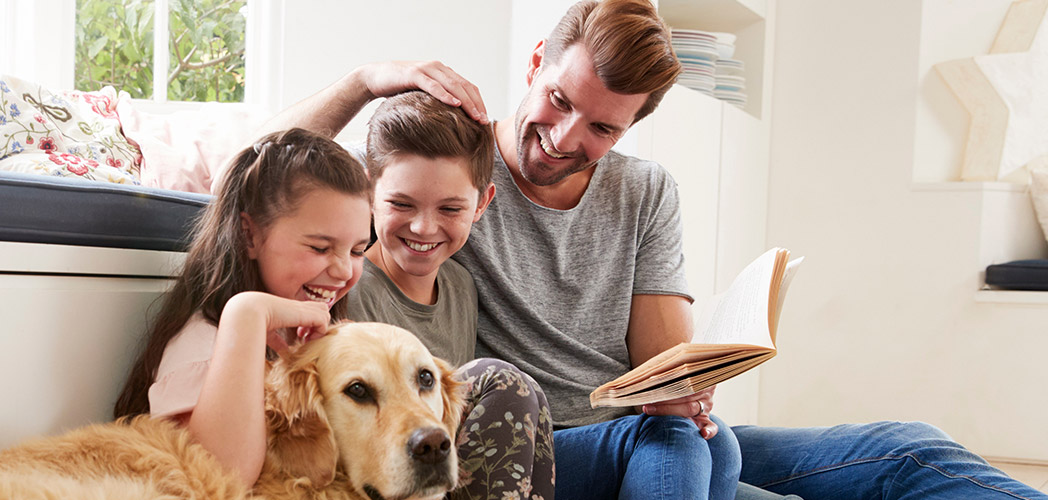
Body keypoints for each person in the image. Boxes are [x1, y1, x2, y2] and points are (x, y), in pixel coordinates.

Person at [261, 0, 1048, 499]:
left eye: (601, 126)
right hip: (542, 443)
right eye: (559, 100)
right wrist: (368, 78)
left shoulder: (645, 191)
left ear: (630, 128)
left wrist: (693, 386)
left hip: (635, 429)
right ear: (535, 63)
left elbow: (660, 368)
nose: (565, 137)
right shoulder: (450, 173)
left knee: (905, 450)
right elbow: (267, 172)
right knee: (683, 447)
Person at [111, 128, 373, 488]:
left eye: (358, 251)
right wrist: (248, 314)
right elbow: (220, 480)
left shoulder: (305, 336)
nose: (344, 270)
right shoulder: (206, 346)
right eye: (320, 248)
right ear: (249, 235)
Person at [345, 91, 555, 500]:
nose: (424, 228)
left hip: (439, 472)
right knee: (505, 381)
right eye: (401, 204)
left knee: (531, 400)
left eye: (450, 210)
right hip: (382, 475)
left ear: (482, 204)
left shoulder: (462, 287)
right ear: (369, 193)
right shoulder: (350, 288)